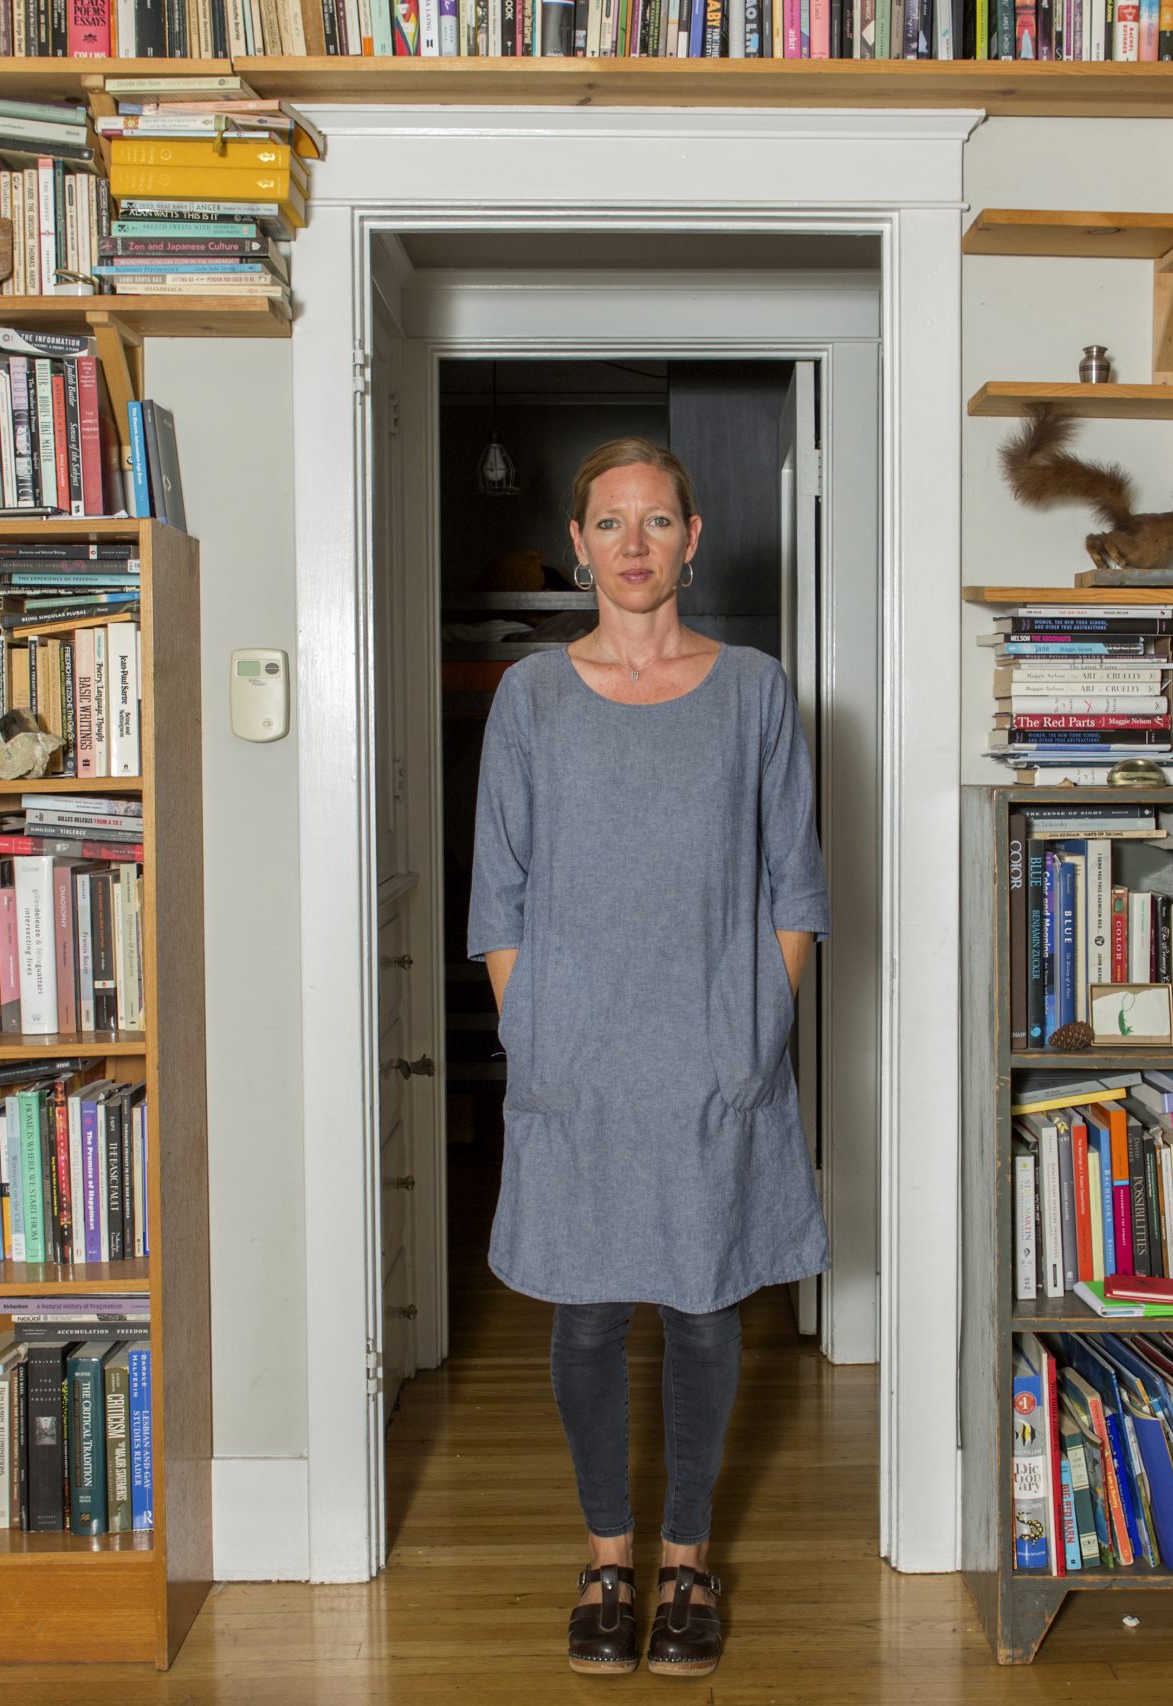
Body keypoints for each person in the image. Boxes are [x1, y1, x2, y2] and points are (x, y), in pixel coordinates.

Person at [469, 438, 830, 1681]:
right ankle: (605, 1559)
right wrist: (536, 1033)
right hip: (575, 1055)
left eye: (657, 520)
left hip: (711, 1051)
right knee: (584, 1311)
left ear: (692, 538)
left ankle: (686, 1559)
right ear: (577, 545)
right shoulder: (529, 696)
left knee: (702, 1305)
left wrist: (753, 1034)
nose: (634, 543)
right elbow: (498, 894)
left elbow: (795, 885)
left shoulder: (755, 691)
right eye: (610, 522)